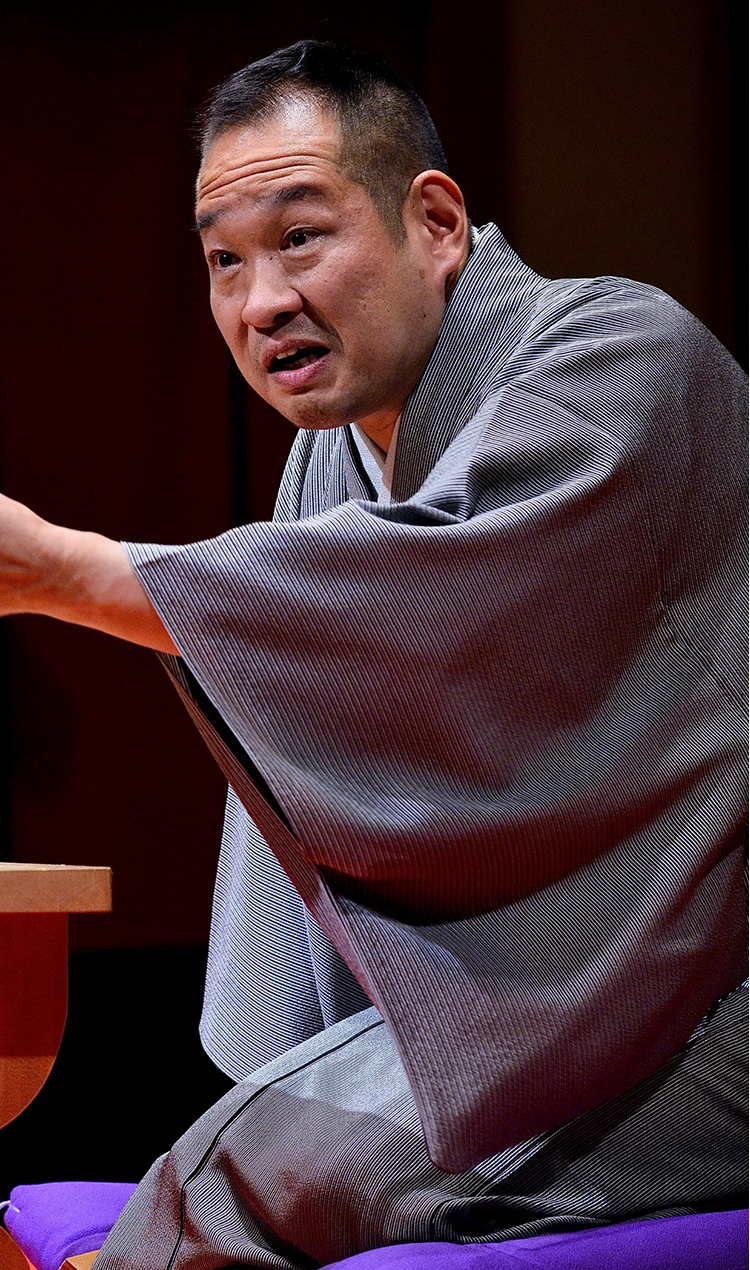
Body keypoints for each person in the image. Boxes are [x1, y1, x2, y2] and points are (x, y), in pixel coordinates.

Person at [1, 39, 746, 1270]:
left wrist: (63, 573)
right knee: (247, 1154)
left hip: (719, 1001)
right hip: (575, 1002)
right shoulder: (334, 457)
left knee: (245, 1181)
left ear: (436, 223)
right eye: (224, 261)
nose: (261, 302)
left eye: (301, 238)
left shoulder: (622, 356)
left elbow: (430, 604)